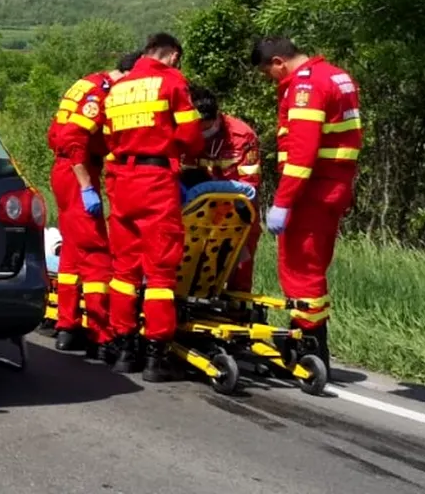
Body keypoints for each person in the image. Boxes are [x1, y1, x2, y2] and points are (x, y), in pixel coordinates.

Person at [251, 36, 361, 372]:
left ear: (278, 62)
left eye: (268, 73)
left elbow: (302, 152)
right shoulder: (337, 75)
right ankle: (306, 339)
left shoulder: (305, 86)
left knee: (300, 269)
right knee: (314, 267)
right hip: (335, 185)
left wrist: (283, 201)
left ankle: (310, 350)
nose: (272, 80)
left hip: (312, 190)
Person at [101, 33, 203, 381]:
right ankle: (156, 357)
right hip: (155, 180)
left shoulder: (118, 88)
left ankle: (125, 349)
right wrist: (173, 150)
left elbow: (108, 138)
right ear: (173, 56)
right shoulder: (171, 81)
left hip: (120, 180)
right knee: (160, 272)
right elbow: (190, 136)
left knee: (124, 271)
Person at [45, 50, 140, 358]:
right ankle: (101, 335)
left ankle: (67, 327)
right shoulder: (100, 92)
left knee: (72, 253)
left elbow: (55, 134)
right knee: (96, 250)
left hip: (71, 169)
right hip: (77, 170)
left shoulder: (88, 84)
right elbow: (73, 139)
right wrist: (87, 185)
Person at [184, 84, 263, 293]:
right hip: (198, 210)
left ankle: (238, 308)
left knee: (240, 264)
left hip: (237, 209)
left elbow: (250, 182)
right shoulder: (186, 133)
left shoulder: (240, 135)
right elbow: (186, 173)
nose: (203, 132)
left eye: (207, 126)